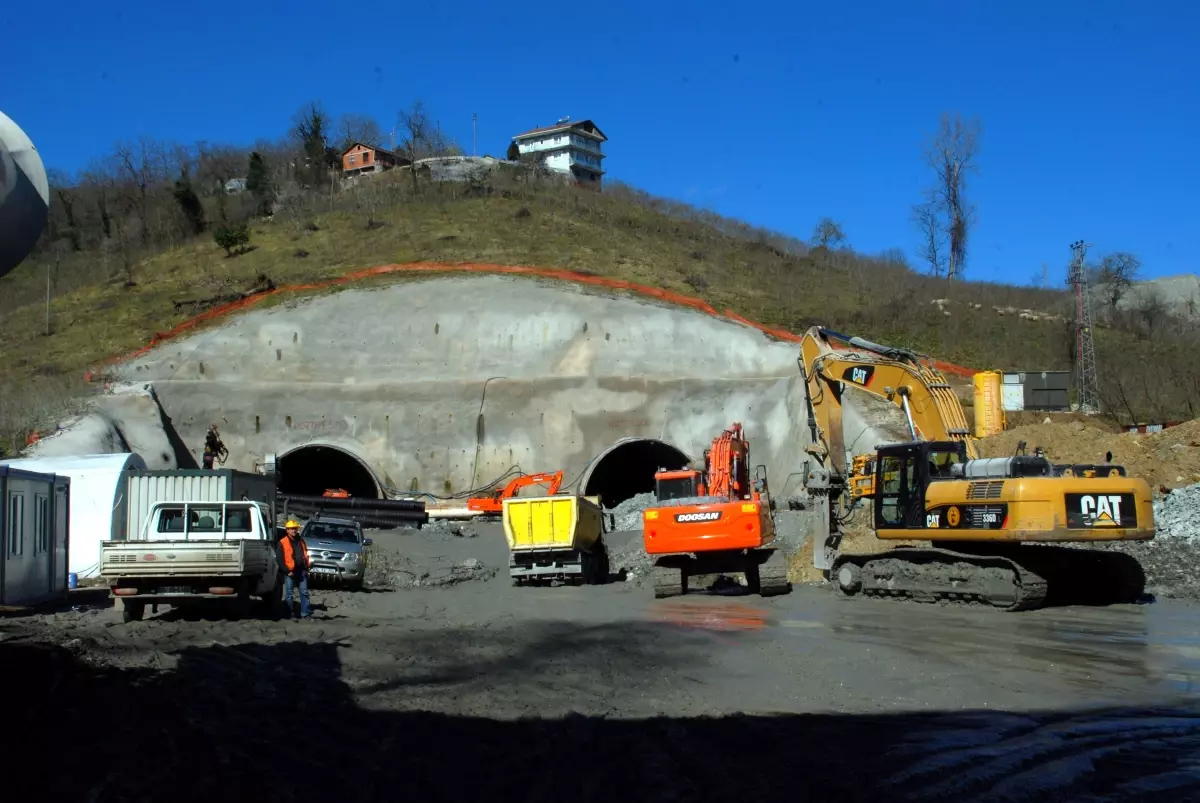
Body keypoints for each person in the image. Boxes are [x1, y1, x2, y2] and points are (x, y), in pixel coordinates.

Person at [279, 519, 312, 620]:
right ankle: (290, 614)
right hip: (290, 572)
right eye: (292, 529)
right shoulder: (282, 542)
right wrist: (287, 571)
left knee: (304, 592)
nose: (294, 530)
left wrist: (307, 567)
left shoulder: (301, 541)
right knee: (289, 594)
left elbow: (305, 554)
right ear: (287, 530)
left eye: (295, 528)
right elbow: (280, 559)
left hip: (301, 571)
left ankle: (305, 614)